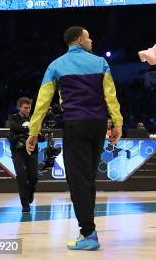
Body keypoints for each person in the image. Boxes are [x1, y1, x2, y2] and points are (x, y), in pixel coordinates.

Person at [26, 26, 123, 251]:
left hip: (76, 125)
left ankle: (88, 234)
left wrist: (33, 131)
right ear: (79, 40)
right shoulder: (100, 63)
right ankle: (89, 230)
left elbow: (42, 102)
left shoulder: (55, 66)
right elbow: (111, 95)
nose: (92, 40)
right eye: (89, 37)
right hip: (99, 125)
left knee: (78, 180)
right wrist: (117, 123)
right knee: (88, 178)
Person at [7, 96, 39, 211]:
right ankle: (25, 204)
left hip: (31, 150)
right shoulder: (13, 117)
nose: (28, 110)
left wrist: (34, 133)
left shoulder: (34, 118)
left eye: (29, 108)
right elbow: (13, 127)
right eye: (25, 108)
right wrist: (31, 130)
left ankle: (30, 192)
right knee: (21, 176)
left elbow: (39, 134)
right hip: (17, 151)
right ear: (19, 107)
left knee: (33, 178)